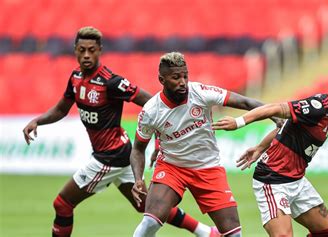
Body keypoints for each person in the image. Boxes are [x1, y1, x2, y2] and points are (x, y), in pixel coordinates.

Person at [22, 27, 218, 237]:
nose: (86, 55)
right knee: (147, 206)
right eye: (82, 50)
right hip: (122, 153)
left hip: (109, 158)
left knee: (62, 203)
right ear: (75, 50)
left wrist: (161, 141)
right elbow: (61, 109)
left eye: (92, 50)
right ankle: (207, 233)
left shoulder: (111, 82)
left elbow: (153, 104)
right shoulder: (76, 78)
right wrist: (37, 121)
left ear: (100, 51)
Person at [130, 52, 280, 237]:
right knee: (150, 223)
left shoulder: (200, 92)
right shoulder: (151, 111)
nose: (183, 82)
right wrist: (138, 179)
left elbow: (244, 101)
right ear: (162, 79)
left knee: (234, 234)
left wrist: (275, 116)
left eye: (185, 75)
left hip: (208, 168)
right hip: (172, 168)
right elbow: (137, 149)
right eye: (176, 77)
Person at [212, 64, 328, 237]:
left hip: (296, 181)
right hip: (273, 180)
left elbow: (289, 125)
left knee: (327, 233)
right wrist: (239, 122)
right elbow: (276, 108)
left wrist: (260, 147)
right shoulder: (318, 107)